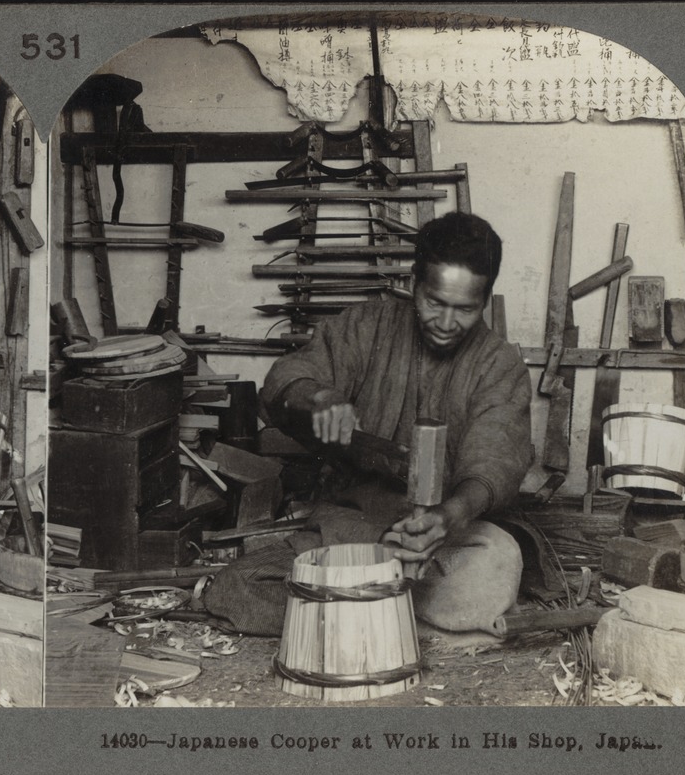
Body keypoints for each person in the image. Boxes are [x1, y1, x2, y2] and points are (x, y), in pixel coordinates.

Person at [208, 211, 533, 636]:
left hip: (447, 535)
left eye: (465, 309)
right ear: (415, 284)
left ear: (485, 300)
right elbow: (285, 379)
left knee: (494, 563)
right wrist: (320, 397)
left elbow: (496, 459)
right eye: (435, 302)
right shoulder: (366, 326)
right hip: (356, 529)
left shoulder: (499, 363)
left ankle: (345, 612)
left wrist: (449, 516)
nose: (447, 323)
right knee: (239, 586)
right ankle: (396, 621)